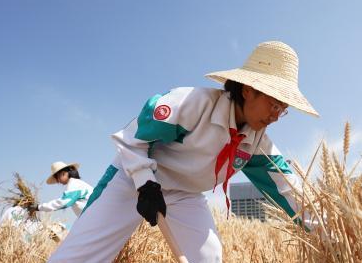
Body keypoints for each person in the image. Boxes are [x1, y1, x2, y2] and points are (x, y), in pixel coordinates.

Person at [48, 41, 319, 263]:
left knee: (209, 257)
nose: (276, 116)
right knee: (78, 258)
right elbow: (134, 138)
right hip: (132, 178)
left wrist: (337, 234)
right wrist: (144, 182)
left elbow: (291, 192)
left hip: (184, 193)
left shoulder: (258, 143)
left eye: (283, 110)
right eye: (274, 105)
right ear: (249, 90)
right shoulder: (192, 104)